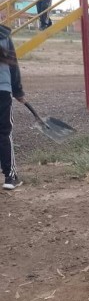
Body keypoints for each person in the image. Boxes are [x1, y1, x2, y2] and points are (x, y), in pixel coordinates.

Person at [0, 25, 26, 190]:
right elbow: (13, 65)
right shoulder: (3, 35)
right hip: (2, 90)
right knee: (4, 133)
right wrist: (18, 91)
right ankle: (10, 177)